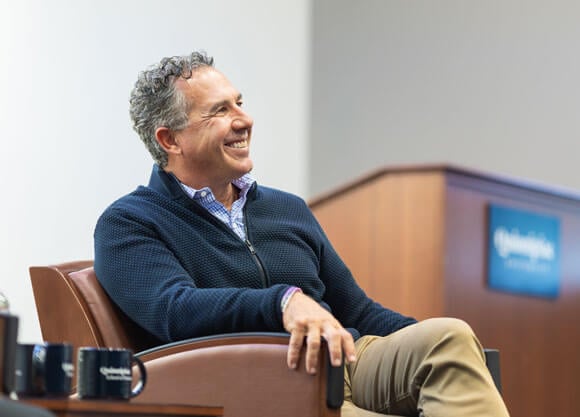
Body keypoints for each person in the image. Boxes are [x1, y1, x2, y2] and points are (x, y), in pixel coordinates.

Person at [94, 51, 510, 417]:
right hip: (261, 382)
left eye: (239, 103)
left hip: (342, 359)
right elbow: (175, 311)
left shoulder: (286, 209)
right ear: (170, 140)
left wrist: (461, 352)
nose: (244, 119)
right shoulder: (129, 222)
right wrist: (283, 303)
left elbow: (358, 312)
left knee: (449, 337)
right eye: (219, 111)